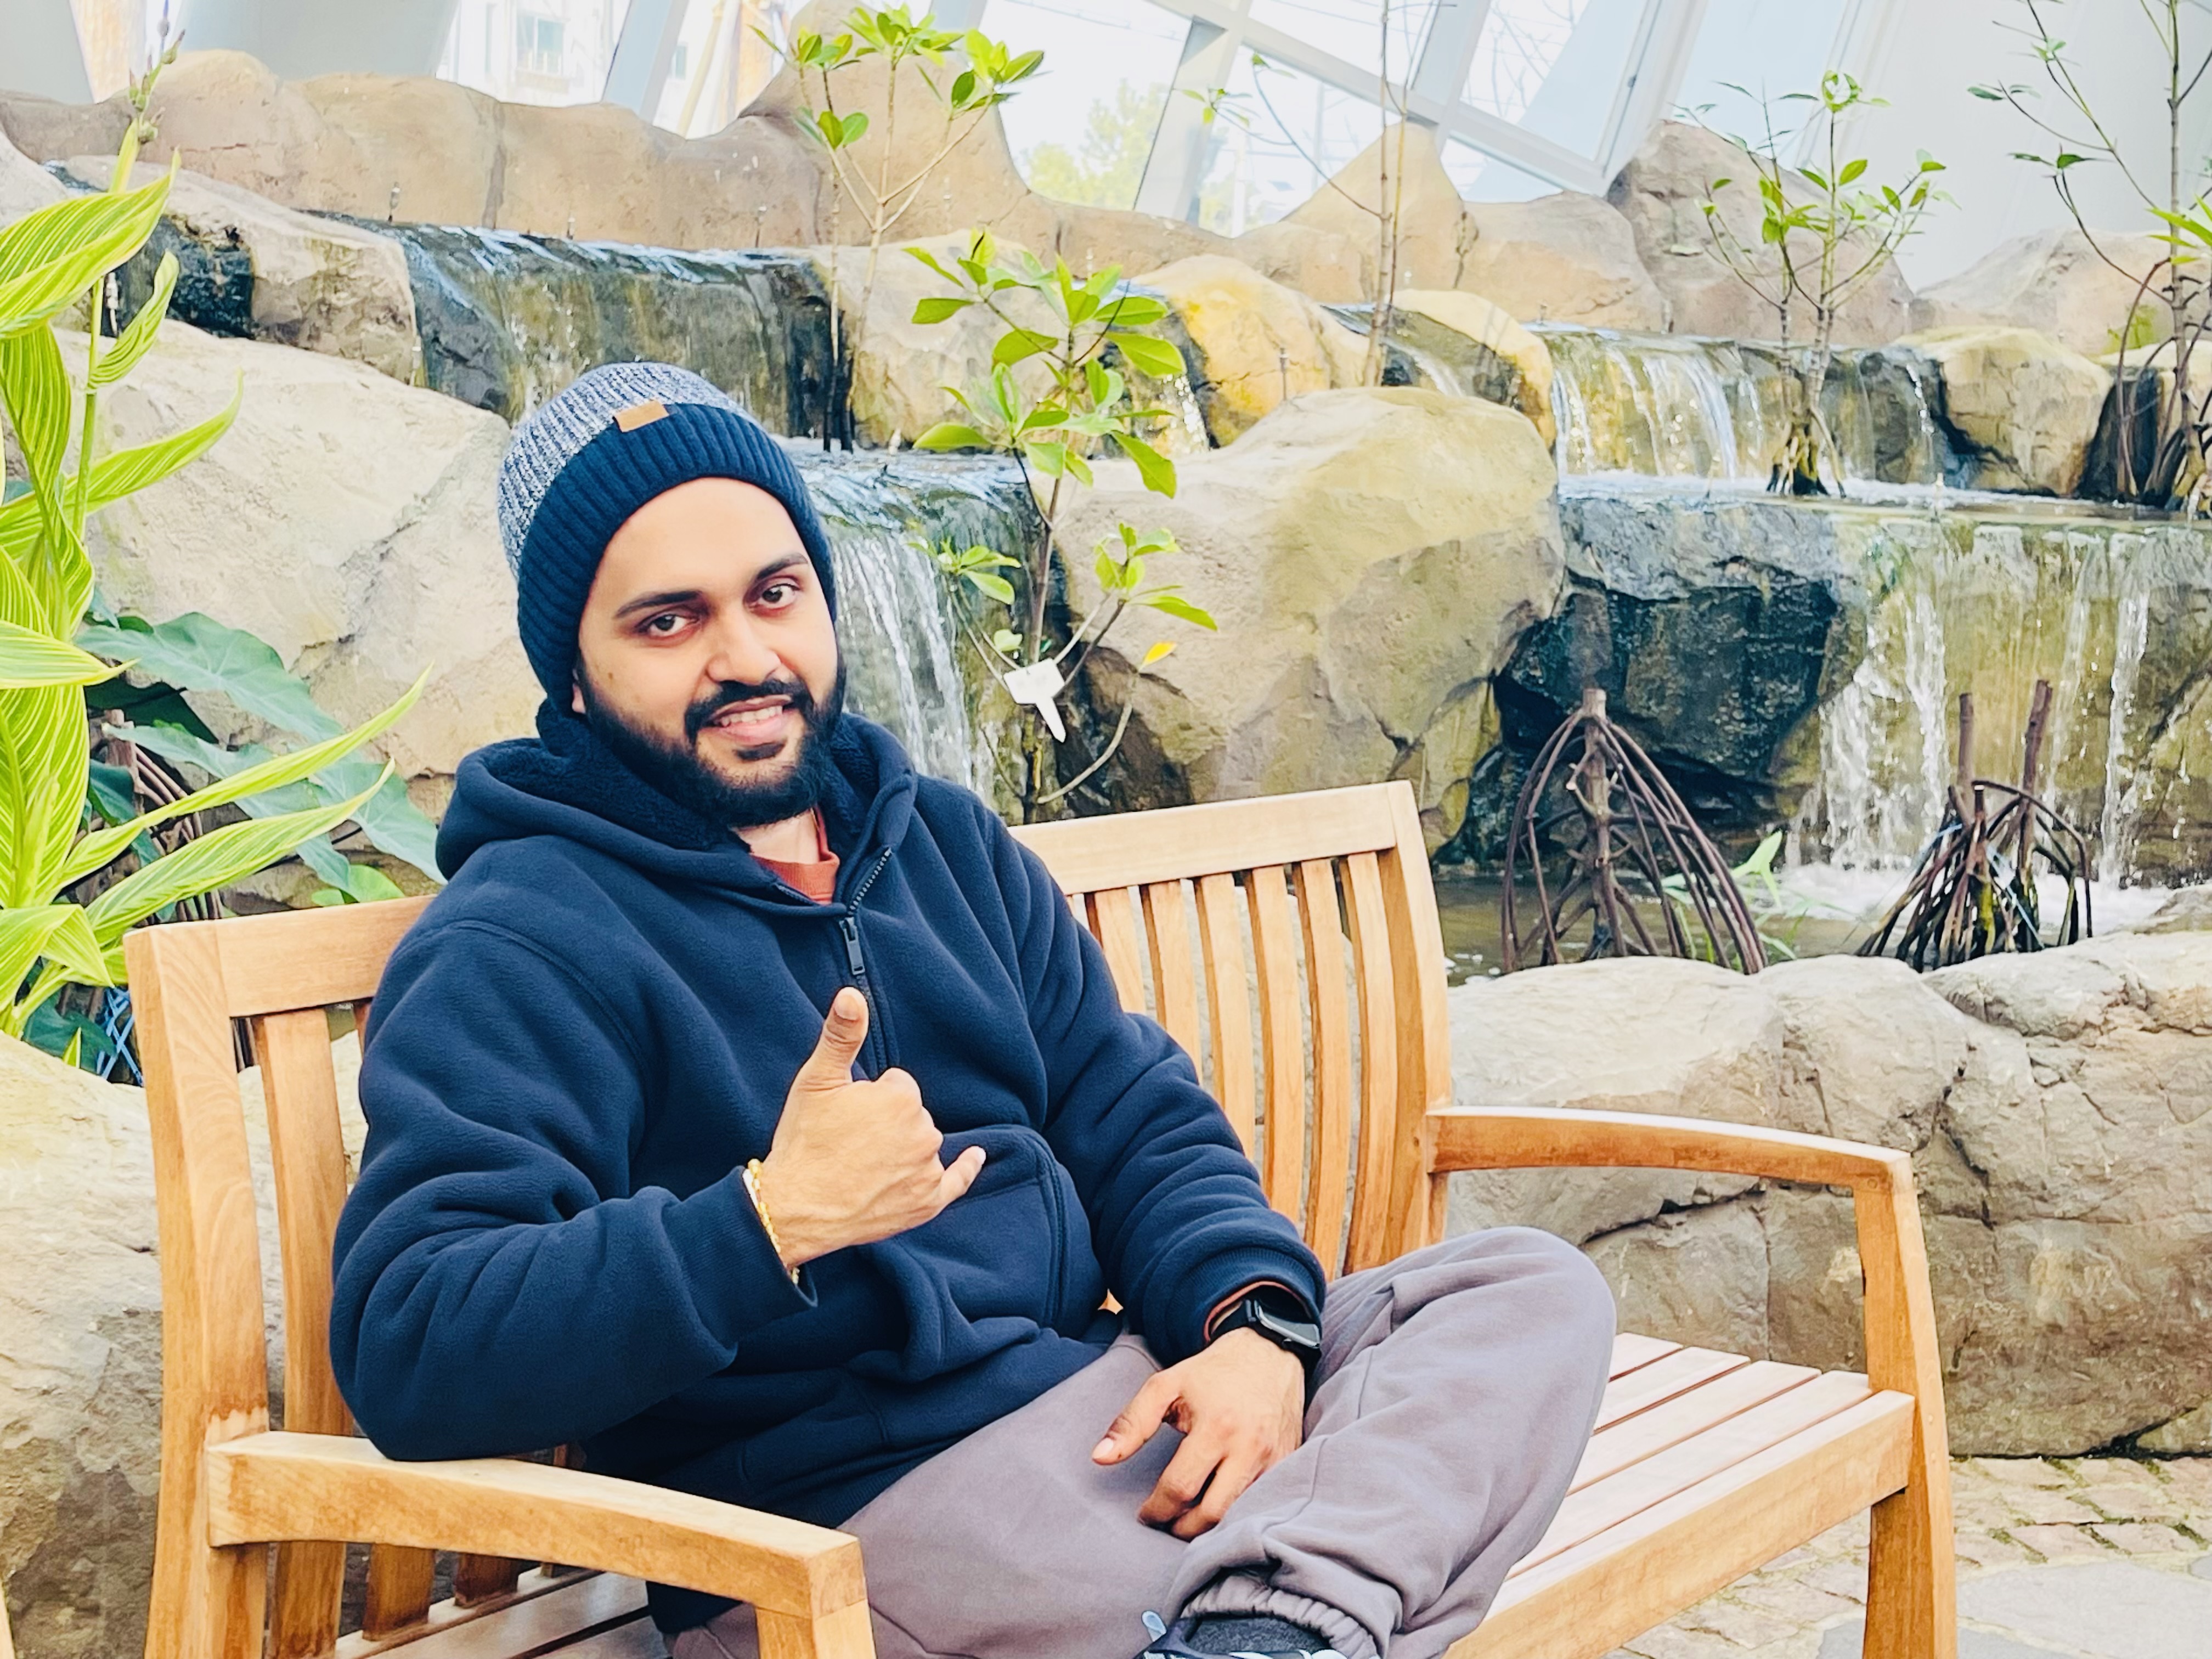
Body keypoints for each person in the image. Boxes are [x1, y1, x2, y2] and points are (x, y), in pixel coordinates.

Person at [330, 363, 1616, 1659]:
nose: (747, 657)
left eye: (775, 594)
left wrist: (1256, 1332)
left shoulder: (940, 842)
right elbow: (412, 1341)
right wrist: (769, 1222)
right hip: (851, 1523)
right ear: (573, 675)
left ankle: (1265, 1624)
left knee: (1524, 1294)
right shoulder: (522, 939)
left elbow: (1132, 1116)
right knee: (1379, 1546)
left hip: (1110, 1407)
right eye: (668, 622)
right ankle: (1284, 1612)